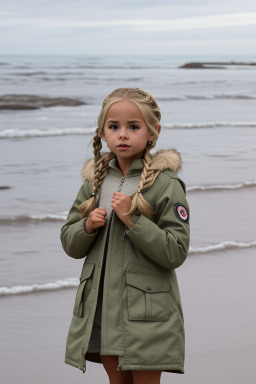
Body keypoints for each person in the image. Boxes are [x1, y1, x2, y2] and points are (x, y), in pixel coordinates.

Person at [60, 88, 190, 384]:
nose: (123, 134)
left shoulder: (166, 184)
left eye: (133, 127)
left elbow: (176, 251)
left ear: (153, 132)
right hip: (102, 309)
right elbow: (69, 242)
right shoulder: (94, 183)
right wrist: (87, 227)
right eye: (114, 126)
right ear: (102, 132)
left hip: (146, 311)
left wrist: (132, 220)